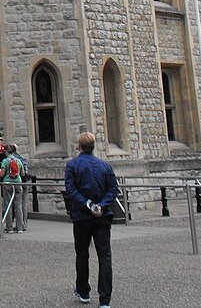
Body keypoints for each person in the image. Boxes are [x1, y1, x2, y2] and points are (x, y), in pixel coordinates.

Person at [65, 132, 119, 308]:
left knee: (82, 254)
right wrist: (101, 206)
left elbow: (71, 191)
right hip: (102, 217)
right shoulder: (105, 166)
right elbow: (113, 189)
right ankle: (105, 300)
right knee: (105, 257)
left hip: (82, 217)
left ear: (79, 146)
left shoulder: (72, 165)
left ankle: (83, 291)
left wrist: (88, 205)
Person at [0, 144, 25, 233]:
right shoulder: (18, 161)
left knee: (8, 205)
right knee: (18, 206)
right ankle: (20, 228)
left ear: (6, 152)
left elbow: (2, 174)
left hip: (8, 183)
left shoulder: (5, 161)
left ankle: (9, 227)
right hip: (18, 183)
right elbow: (22, 173)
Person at [13, 143, 32, 231]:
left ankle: (19, 224)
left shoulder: (12, 159)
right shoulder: (22, 159)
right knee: (24, 204)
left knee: (18, 204)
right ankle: (24, 223)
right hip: (25, 182)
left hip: (17, 182)